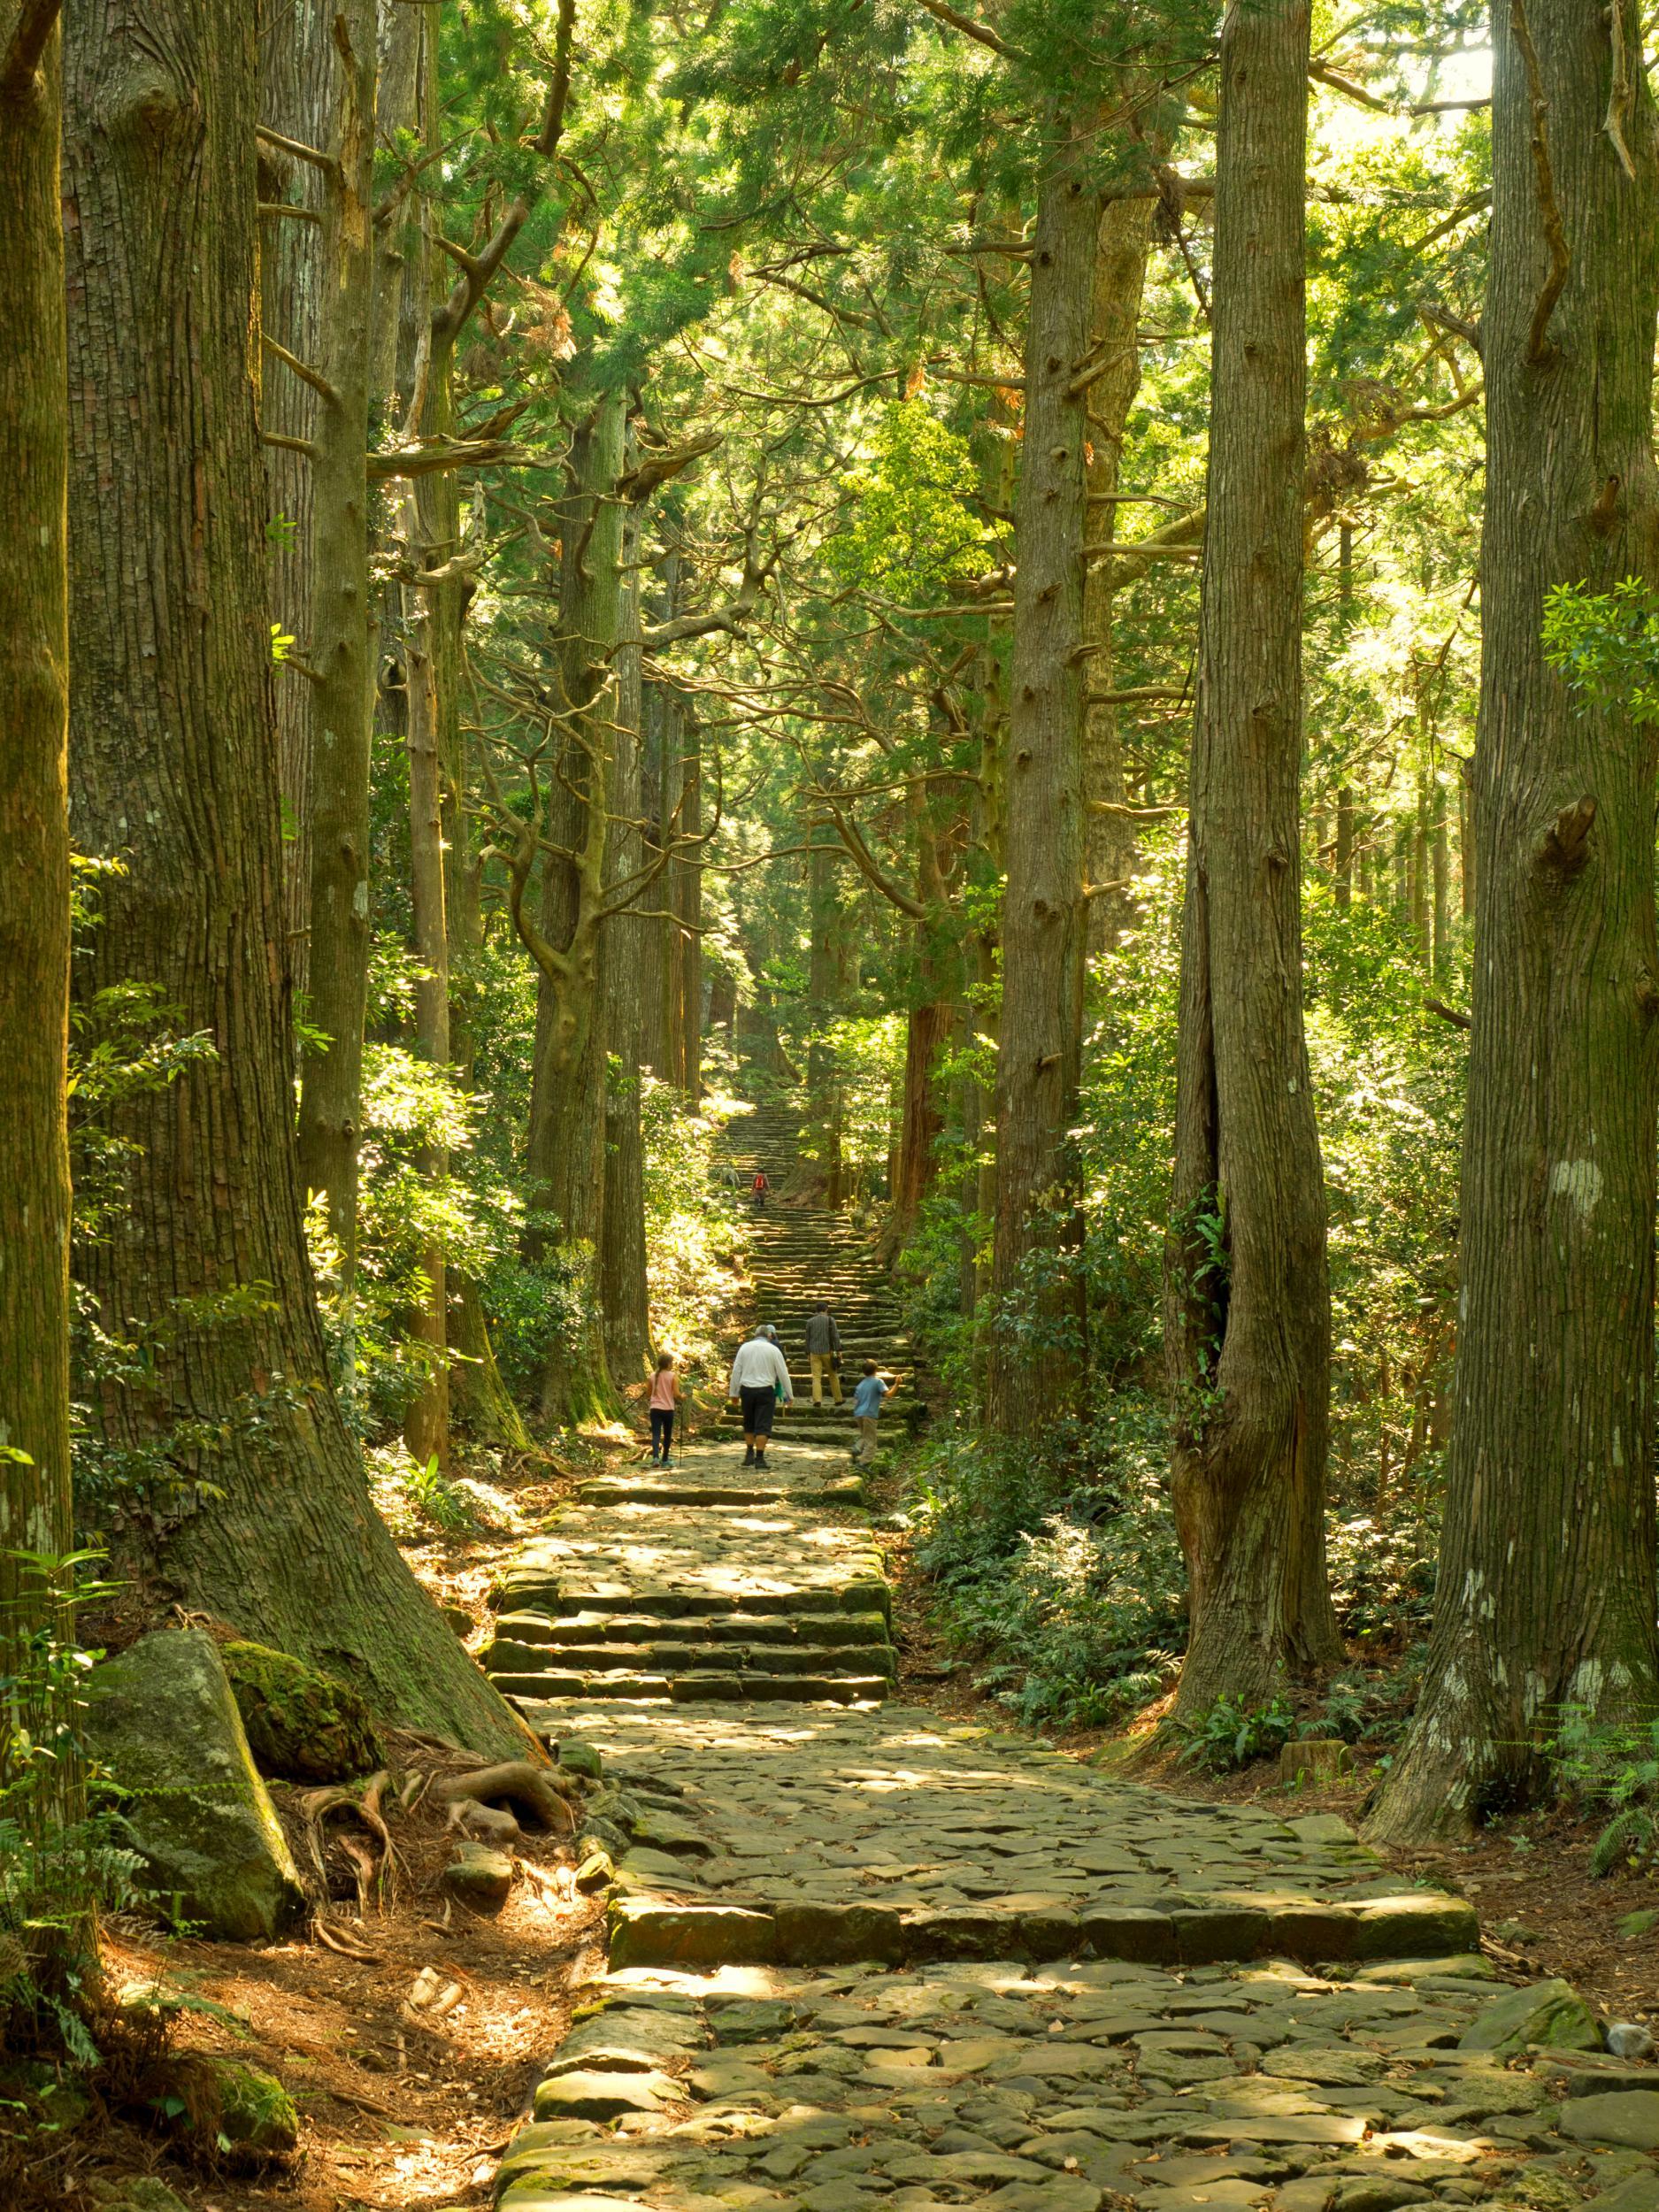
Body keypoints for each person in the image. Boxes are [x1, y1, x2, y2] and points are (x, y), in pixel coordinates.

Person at [727, 1322, 793, 1470]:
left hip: (747, 1390)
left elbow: (736, 1371)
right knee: (763, 1425)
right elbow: (783, 1373)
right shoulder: (773, 1349)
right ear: (769, 1335)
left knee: (749, 1422)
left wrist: (734, 1393)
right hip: (765, 1391)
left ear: (755, 1335)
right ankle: (760, 1458)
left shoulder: (745, 1348)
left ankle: (749, 1453)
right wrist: (789, 1395)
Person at [851, 1360, 902, 1464]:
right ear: (876, 1370)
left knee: (865, 1436)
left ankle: (857, 1447)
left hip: (858, 1414)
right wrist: (897, 1384)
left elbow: (855, 1400)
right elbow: (889, 1395)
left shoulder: (860, 1384)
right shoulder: (878, 1382)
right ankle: (863, 1463)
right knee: (871, 1442)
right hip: (869, 1414)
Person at [803, 1302, 843, 1406]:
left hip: (814, 1352)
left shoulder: (810, 1322)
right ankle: (838, 1399)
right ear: (826, 1309)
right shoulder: (830, 1320)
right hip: (828, 1352)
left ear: (816, 1310)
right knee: (833, 1376)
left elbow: (807, 1339)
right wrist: (839, 1350)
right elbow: (835, 1337)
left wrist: (808, 1352)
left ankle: (817, 1400)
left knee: (816, 1377)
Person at [649, 1353, 679, 1466]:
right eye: (671, 1362)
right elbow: (676, 1394)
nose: (672, 1365)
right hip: (668, 1409)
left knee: (656, 1434)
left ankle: (655, 1458)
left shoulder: (652, 1376)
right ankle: (665, 1459)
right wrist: (683, 1396)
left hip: (655, 1409)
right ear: (668, 1364)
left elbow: (648, 1393)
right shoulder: (673, 1376)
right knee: (667, 1435)